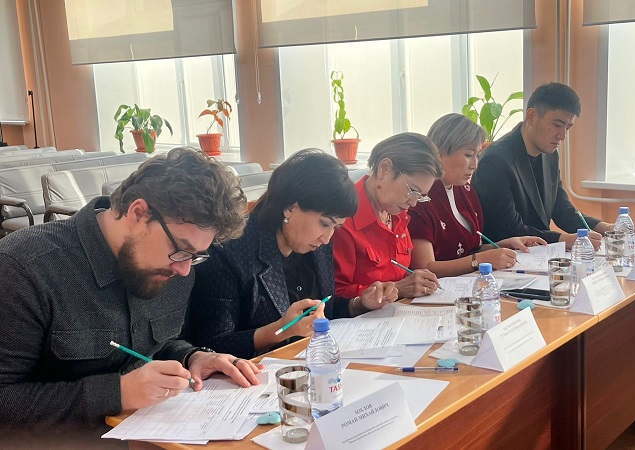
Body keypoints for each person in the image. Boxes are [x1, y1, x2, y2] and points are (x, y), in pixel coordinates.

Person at [0, 148, 261, 447]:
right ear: (138, 213)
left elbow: (152, 346)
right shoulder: (23, 267)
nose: (185, 269)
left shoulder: (172, 267)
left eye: (196, 256)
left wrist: (192, 357)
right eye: (181, 250)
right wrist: (117, 393)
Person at [189, 149, 398, 359]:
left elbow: (323, 309)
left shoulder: (316, 245)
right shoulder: (228, 251)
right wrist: (280, 330)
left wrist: (359, 304)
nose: (327, 238)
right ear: (290, 207)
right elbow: (213, 345)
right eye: (324, 224)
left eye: (336, 227)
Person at [472, 82, 635, 249]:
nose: (562, 136)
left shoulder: (550, 155)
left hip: (538, 252)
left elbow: (562, 209)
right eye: (557, 125)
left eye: (568, 128)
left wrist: (606, 228)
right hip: (506, 257)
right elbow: (509, 229)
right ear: (531, 117)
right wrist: (562, 239)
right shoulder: (495, 160)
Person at [408, 113, 547, 277]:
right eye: (468, 155)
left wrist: (507, 245)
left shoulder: (466, 191)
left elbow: (469, 251)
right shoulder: (419, 199)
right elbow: (425, 268)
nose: (474, 165)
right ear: (440, 153)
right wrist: (478, 260)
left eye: (478, 155)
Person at [334, 132, 443, 299]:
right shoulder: (343, 218)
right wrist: (397, 289)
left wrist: (415, 281)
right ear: (384, 170)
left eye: (420, 196)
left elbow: (397, 272)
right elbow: (334, 297)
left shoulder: (398, 214)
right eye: (412, 191)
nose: (414, 203)